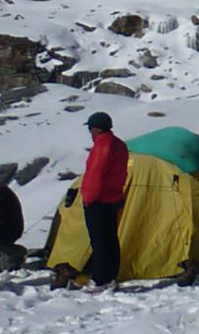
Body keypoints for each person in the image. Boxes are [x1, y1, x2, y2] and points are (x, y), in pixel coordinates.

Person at [81, 111, 129, 291]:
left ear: (96, 129)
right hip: (114, 197)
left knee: (99, 241)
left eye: (90, 128)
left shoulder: (102, 146)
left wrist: (88, 199)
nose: (90, 133)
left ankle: (100, 279)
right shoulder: (119, 145)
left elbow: (95, 174)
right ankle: (111, 276)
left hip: (98, 201)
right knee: (110, 239)